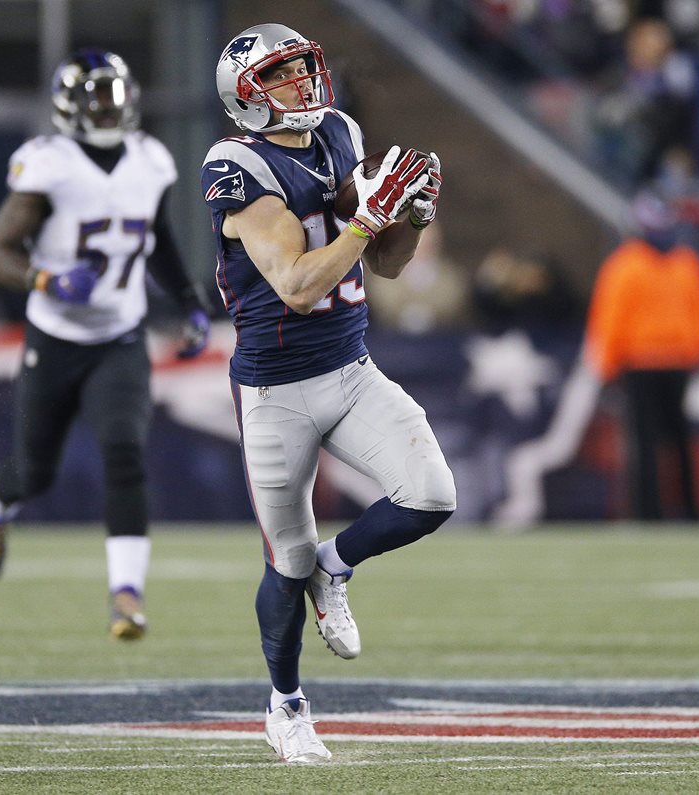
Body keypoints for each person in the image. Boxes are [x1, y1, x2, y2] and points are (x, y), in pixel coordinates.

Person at [205, 24, 456, 763]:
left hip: (350, 371)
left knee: (431, 494)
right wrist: (366, 216)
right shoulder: (235, 164)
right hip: (275, 389)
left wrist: (411, 216)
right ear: (248, 97)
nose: (302, 84)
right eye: (283, 76)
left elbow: (384, 264)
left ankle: (336, 565)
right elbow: (297, 285)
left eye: (302, 68)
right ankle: (286, 707)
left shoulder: (339, 132)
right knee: (285, 558)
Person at [0, 48, 211, 641]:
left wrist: (188, 301)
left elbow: (158, 236)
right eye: (96, 97)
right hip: (55, 337)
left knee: (125, 452)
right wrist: (45, 278)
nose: (109, 108)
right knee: (34, 473)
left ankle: (126, 595)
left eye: (116, 94)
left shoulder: (151, 160)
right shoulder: (47, 165)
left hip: (120, 336)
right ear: (69, 106)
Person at [584, 200, 699, 520]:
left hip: (640, 362)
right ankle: (689, 512)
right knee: (679, 442)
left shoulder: (626, 264)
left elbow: (610, 318)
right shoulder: (687, 263)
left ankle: (649, 514)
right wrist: (695, 353)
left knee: (644, 443)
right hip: (676, 362)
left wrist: (606, 365)